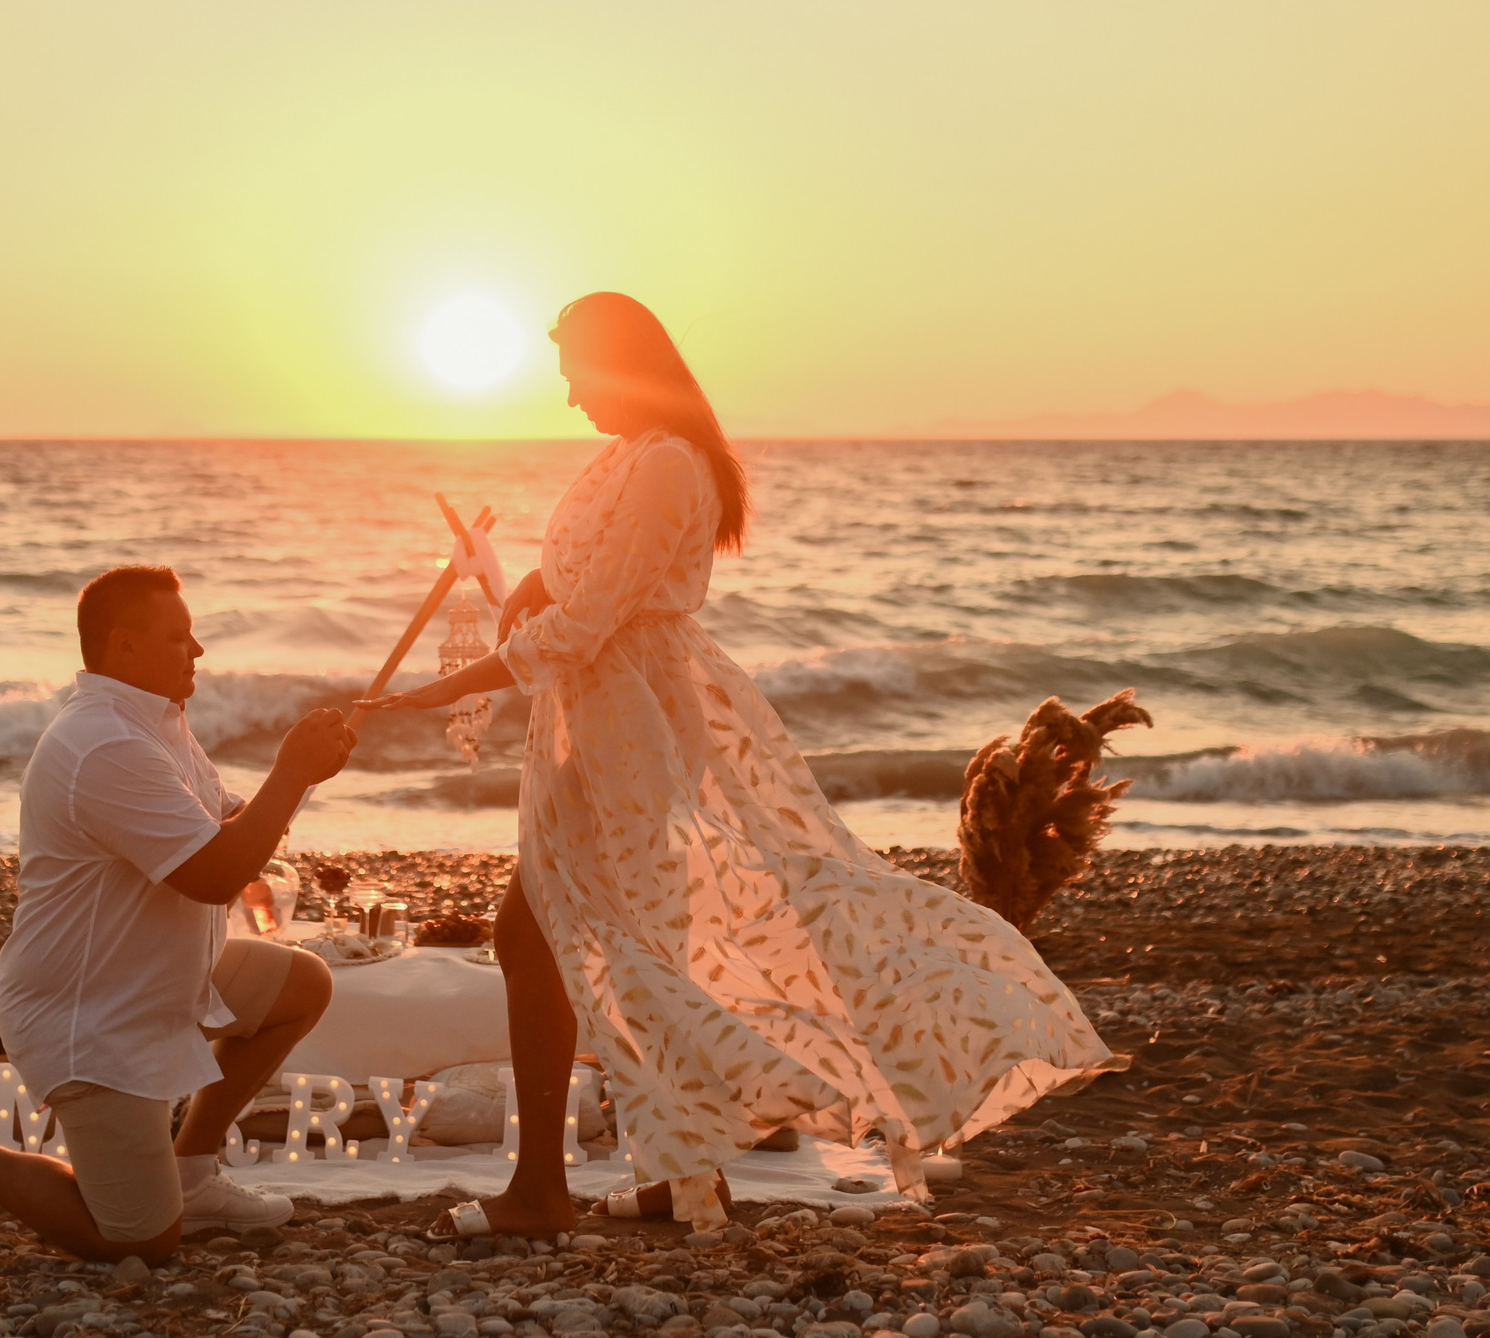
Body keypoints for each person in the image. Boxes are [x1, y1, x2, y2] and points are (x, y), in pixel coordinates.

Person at [362, 293, 1116, 1235]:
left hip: (636, 732)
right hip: (591, 726)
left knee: (560, 935)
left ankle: (550, 1190)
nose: (567, 396)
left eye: (575, 372)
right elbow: (584, 583)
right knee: (600, 937)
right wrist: (519, 583)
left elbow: (596, 619)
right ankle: (681, 1174)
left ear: (623, 362)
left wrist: (442, 689)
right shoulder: (629, 457)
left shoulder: (671, 465)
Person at [0, 564, 356, 1259]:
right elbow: (215, 875)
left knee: (302, 984)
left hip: (154, 977)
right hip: (90, 1014)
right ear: (124, 646)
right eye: (178, 637)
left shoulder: (153, 720)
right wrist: (289, 771)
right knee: (140, 1242)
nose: (197, 651)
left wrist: (301, 777)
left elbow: (228, 829)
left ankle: (192, 1169)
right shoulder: (105, 744)